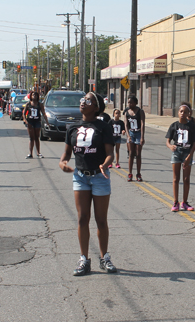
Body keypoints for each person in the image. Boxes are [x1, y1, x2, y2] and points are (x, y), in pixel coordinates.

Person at [59, 92, 117, 276]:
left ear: (96, 107)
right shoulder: (73, 127)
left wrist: (105, 164)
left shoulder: (104, 127)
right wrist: (62, 164)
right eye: (82, 100)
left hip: (100, 178)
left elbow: (110, 154)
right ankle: (84, 259)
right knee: (83, 218)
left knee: (101, 220)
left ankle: (104, 257)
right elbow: (66, 155)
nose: (83, 102)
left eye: (88, 100)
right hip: (80, 177)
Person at [166, 102, 195, 212]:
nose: (182, 113)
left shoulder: (191, 126)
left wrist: (190, 156)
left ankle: (184, 202)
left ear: (188, 113)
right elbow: (167, 140)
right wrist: (170, 146)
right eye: (181, 111)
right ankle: (175, 201)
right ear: (178, 112)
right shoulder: (174, 125)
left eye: (185, 112)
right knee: (176, 178)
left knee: (186, 179)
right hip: (177, 152)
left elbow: (194, 143)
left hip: (187, 153)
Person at [124, 95, 145, 182]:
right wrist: (128, 136)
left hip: (138, 133)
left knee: (138, 154)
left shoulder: (140, 112)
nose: (129, 104)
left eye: (131, 102)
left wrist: (142, 137)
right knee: (131, 154)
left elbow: (142, 124)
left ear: (135, 103)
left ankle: (138, 173)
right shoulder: (126, 112)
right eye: (128, 102)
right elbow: (126, 125)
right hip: (131, 133)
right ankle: (130, 173)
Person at [22, 91, 48, 159]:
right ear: (31, 96)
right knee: (31, 138)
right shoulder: (28, 104)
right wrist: (25, 120)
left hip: (37, 122)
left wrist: (47, 122)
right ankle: (30, 153)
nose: (34, 96)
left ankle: (38, 153)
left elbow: (43, 113)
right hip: (30, 122)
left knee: (37, 137)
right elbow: (24, 113)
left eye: (36, 95)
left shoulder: (40, 104)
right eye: (33, 95)